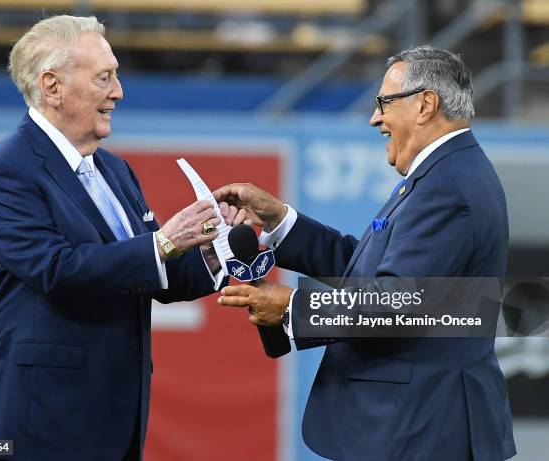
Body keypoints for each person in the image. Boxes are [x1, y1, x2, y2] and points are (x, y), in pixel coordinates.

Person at [215, 46, 516, 460]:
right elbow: (373, 275)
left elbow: (395, 303)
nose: (375, 117)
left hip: (423, 430)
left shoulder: (447, 184)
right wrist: (281, 220)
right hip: (416, 425)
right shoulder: (445, 172)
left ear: (425, 104)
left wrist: (293, 308)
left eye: (384, 103)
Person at [0, 15, 228, 461]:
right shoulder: (7, 170)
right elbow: (58, 270)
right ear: (52, 86)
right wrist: (164, 242)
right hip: (38, 426)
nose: (119, 92)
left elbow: (152, 273)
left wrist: (215, 245)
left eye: (117, 76)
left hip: (114, 420)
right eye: (104, 78)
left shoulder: (113, 169)